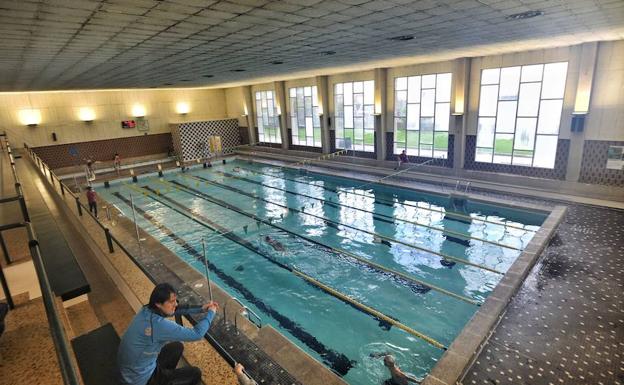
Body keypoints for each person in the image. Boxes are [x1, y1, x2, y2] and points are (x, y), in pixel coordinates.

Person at [117, 283, 219, 385]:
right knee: (195, 373)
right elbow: (196, 334)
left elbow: (176, 309)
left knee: (177, 347)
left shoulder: (147, 309)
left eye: (175, 300)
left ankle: (166, 379)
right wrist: (211, 313)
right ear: (158, 304)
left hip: (132, 370)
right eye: (171, 301)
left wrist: (202, 308)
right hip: (140, 380)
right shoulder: (158, 325)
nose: (175, 304)